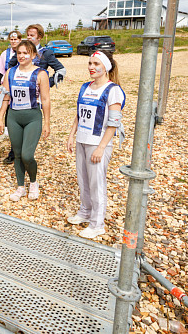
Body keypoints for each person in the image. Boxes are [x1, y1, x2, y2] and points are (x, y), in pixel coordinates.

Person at [66, 50, 125, 239]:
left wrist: (101, 147)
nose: (91, 67)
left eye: (96, 64)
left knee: (96, 183)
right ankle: (85, 211)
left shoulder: (112, 90)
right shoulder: (85, 87)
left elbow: (114, 122)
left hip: (98, 143)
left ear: (106, 67)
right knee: (83, 179)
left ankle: (97, 223)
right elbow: (78, 113)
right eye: (90, 64)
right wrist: (71, 135)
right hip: (82, 140)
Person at [0, 40, 51, 201]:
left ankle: (33, 182)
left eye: (26, 53)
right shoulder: (10, 72)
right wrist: (1, 118)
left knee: (28, 155)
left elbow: (46, 100)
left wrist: (47, 122)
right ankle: (20, 186)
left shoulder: (41, 74)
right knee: (18, 154)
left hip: (32, 117)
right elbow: (6, 97)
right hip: (14, 116)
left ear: (34, 55)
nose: (22, 56)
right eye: (19, 53)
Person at [4, 23, 65, 164]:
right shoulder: (20, 50)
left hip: (35, 97)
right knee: (14, 120)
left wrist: (47, 83)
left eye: (32, 35)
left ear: (40, 37)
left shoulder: (46, 53)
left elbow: (61, 70)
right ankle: (14, 152)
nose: (29, 37)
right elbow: (10, 66)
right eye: (28, 35)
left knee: (32, 121)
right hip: (19, 93)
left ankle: (27, 151)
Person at [0, 30, 22, 142]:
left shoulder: (25, 51)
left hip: (21, 84)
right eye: (11, 39)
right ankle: (6, 131)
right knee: (6, 106)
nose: (13, 41)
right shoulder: (5, 54)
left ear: (20, 40)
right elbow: (1, 70)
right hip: (8, 84)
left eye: (15, 39)